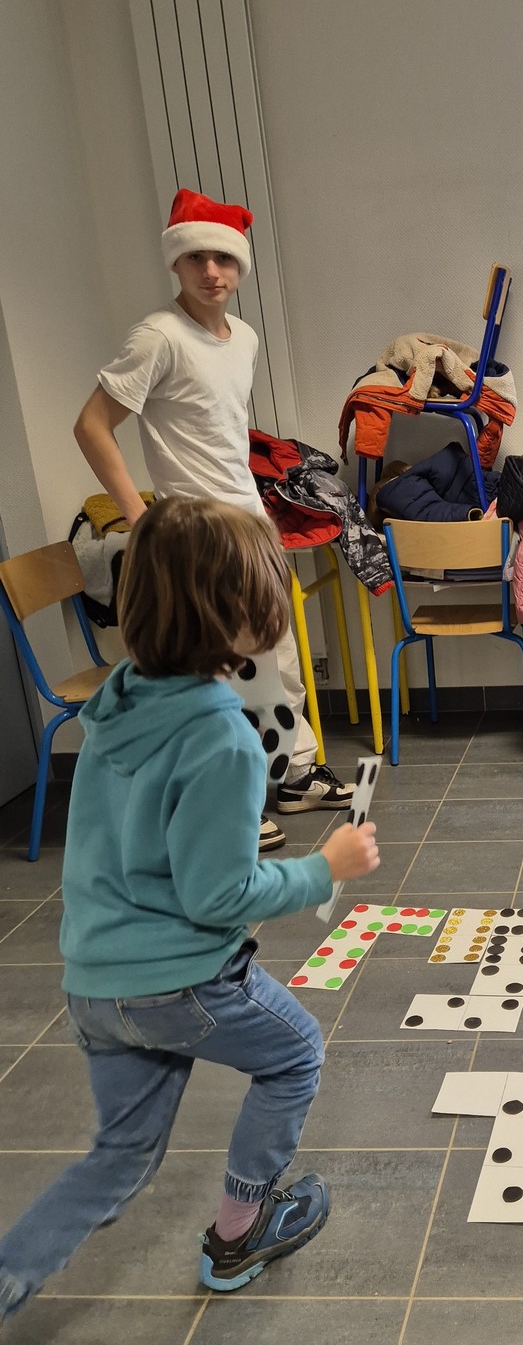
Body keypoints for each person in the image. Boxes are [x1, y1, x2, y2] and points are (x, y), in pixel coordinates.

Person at [0, 496, 379, 1345]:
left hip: (94, 985)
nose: (277, 608)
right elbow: (219, 896)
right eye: (266, 591)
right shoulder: (222, 735)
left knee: (118, 1159)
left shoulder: (117, 704)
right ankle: (238, 1236)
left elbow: (129, 846)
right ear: (229, 612)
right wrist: (327, 866)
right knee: (293, 1057)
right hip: (182, 985)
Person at [73, 187, 353, 851]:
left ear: (239, 268)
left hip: (250, 523)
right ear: (176, 264)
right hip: (194, 537)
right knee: (216, 674)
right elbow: (91, 426)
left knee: (275, 656)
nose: (211, 273)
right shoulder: (157, 336)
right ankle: (226, 803)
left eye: (223, 260)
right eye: (196, 258)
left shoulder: (245, 337)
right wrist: (143, 521)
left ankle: (291, 776)